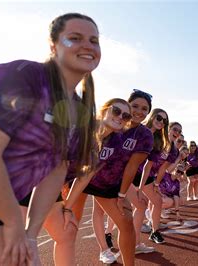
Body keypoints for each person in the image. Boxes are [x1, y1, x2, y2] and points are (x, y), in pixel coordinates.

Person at [0, 12, 99, 265]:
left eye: (94, 40)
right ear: (53, 45)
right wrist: (13, 221)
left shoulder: (79, 111)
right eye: (75, 38)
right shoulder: (23, 76)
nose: (87, 45)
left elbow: (56, 168)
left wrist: (31, 234)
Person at [60, 98, 135, 264]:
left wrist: (67, 208)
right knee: (64, 230)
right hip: (50, 178)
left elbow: (86, 175)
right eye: (116, 111)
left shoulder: (116, 140)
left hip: (84, 181)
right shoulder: (83, 128)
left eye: (126, 116)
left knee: (66, 229)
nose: (120, 117)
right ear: (104, 110)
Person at [127, 108, 169, 248]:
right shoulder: (138, 130)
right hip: (125, 172)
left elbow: (147, 166)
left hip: (140, 174)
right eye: (158, 118)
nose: (161, 122)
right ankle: (119, 239)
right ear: (152, 117)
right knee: (136, 205)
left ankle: (152, 232)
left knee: (155, 201)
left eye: (164, 121)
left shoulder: (157, 141)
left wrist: (140, 188)